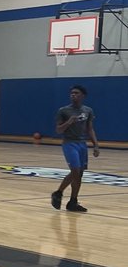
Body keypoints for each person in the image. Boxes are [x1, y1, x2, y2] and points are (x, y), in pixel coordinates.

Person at [51, 84, 100, 213]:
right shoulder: (64, 111)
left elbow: (90, 128)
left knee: (80, 174)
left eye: (76, 93)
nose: (73, 95)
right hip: (69, 143)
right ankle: (58, 192)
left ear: (83, 96)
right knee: (75, 171)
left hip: (82, 144)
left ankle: (73, 202)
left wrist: (95, 144)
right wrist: (69, 122)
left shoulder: (88, 110)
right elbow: (58, 130)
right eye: (72, 93)